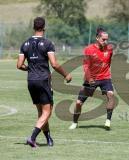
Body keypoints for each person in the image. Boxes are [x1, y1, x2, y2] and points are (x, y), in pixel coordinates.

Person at [17, 17, 72, 148]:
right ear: (44, 28)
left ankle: (48, 139)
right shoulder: (48, 43)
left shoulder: (25, 44)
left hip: (31, 81)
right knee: (47, 112)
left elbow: (19, 65)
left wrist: (30, 68)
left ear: (33, 27)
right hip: (43, 80)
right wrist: (66, 74)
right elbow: (54, 64)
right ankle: (32, 137)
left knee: (41, 112)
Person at [69, 27, 115, 130]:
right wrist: (89, 79)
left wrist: (106, 72)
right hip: (91, 78)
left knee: (111, 95)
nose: (106, 41)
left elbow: (109, 62)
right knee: (78, 103)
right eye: (104, 39)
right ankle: (75, 122)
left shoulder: (110, 49)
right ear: (97, 38)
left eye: (107, 39)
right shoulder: (89, 49)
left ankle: (108, 121)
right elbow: (86, 66)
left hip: (105, 77)